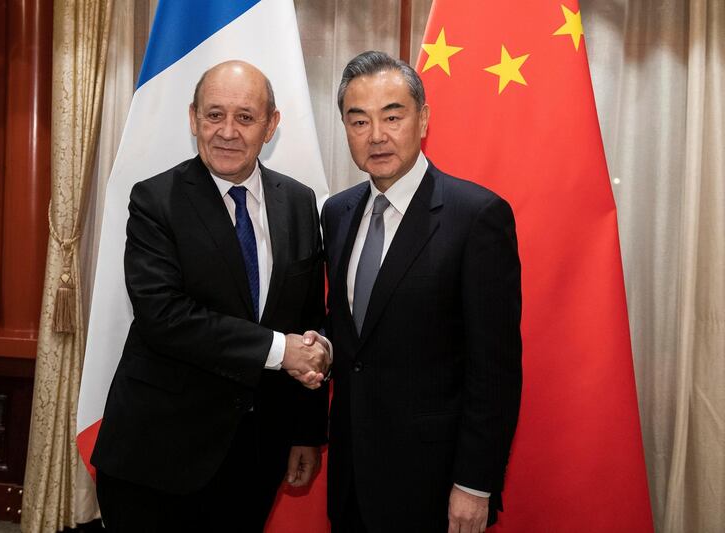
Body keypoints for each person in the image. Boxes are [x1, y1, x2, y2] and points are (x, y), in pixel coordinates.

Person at [91, 60, 331, 532]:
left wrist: (306, 431)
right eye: (214, 114)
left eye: (245, 117)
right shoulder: (155, 200)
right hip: (158, 458)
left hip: (255, 456)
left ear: (271, 125)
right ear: (193, 118)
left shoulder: (300, 203)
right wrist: (283, 351)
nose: (227, 132)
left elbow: (306, 317)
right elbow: (166, 318)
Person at [319, 51, 522, 533]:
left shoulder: (476, 216)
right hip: (350, 476)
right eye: (359, 120)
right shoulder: (337, 212)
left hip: (433, 485)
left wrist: (475, 484)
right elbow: (355, 334)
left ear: (423, 118)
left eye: (393, 115)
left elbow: (493, 369)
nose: (377, 135)